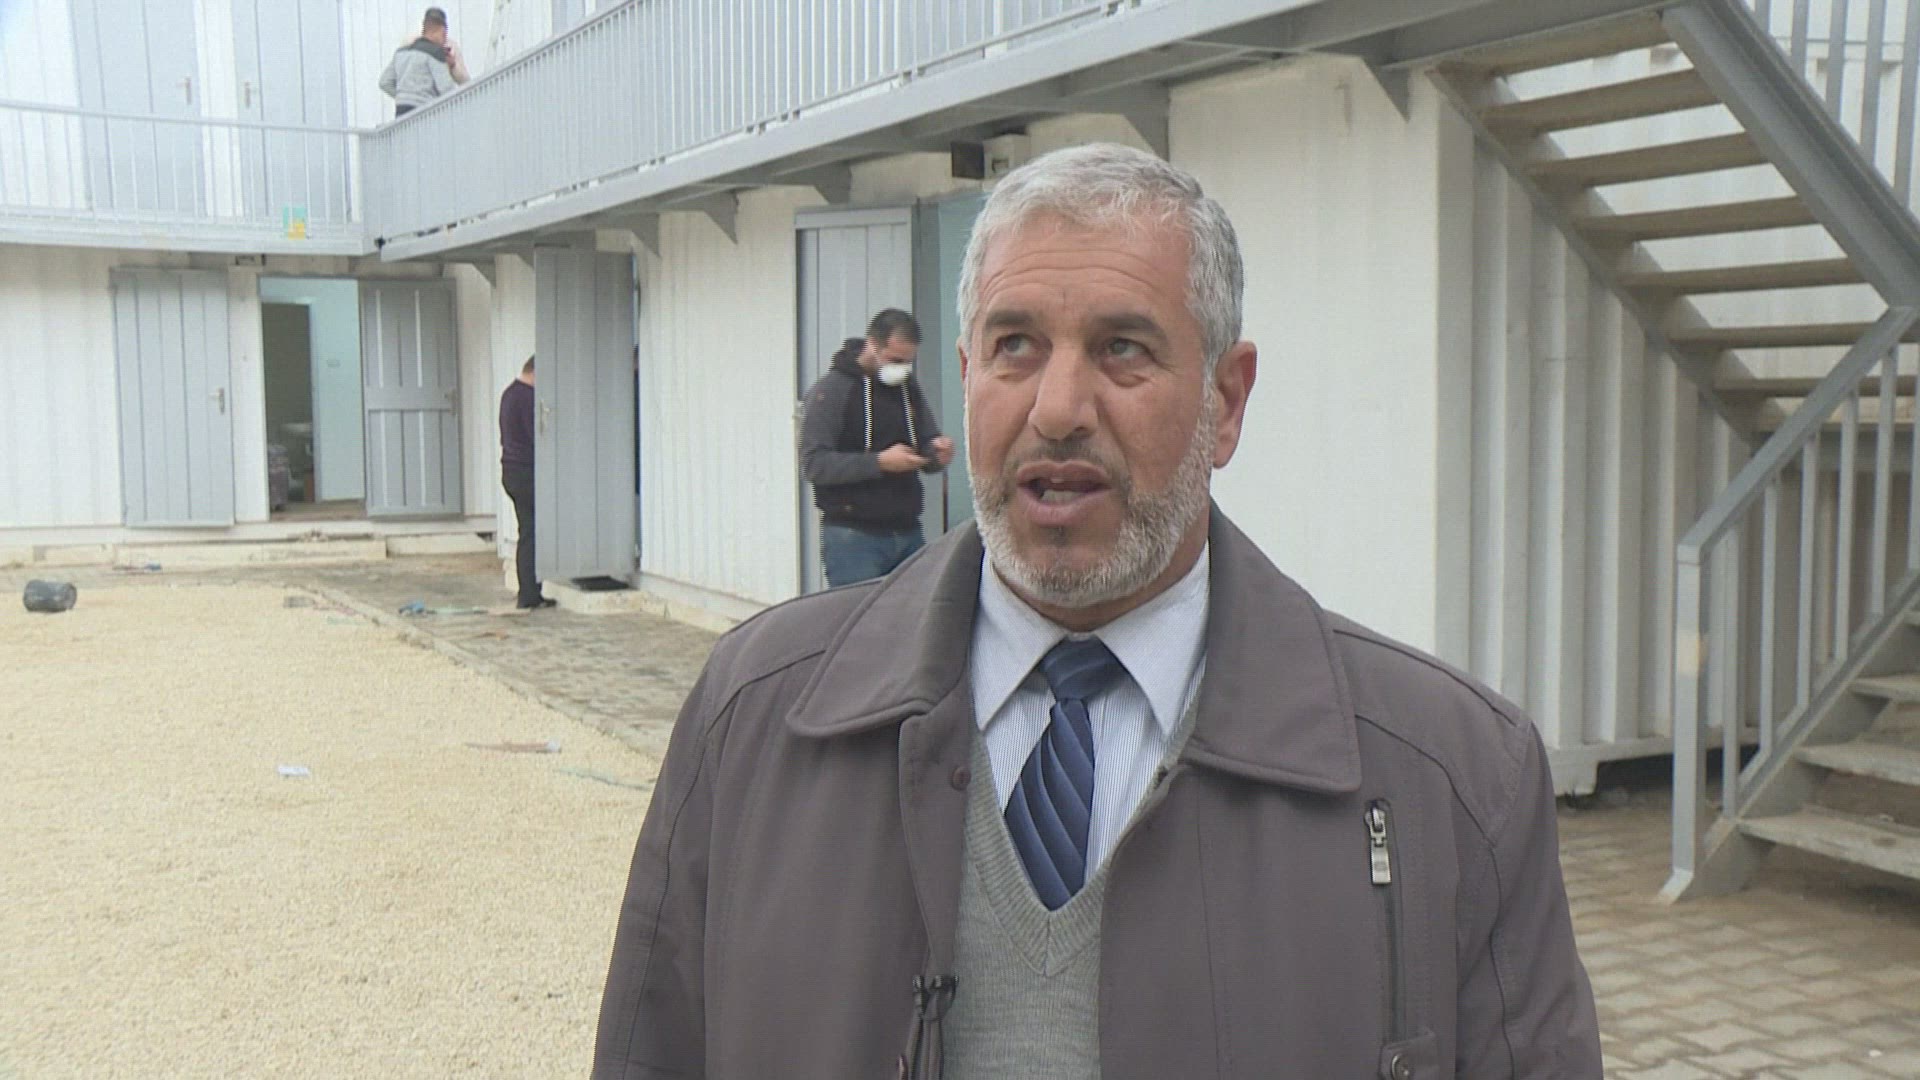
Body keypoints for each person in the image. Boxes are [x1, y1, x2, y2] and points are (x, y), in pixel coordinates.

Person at [592, 144, 1601, 1079]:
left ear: (1226, 402)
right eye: (1016, 346)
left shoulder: (1454, 778)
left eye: (1122, 349)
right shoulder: (754, 719)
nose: (1058, 408)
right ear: (967, 378)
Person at [798, 308, 955, 587]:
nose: (902, 369)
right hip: (853, 537)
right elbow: (814, 464)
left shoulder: (906, 387)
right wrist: (879, 462)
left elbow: (925, 441)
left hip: (907, 530)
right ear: (872, 344)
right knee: (858, 613)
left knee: (914, 610)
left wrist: (936, 453)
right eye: (895, 360)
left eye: (908, 362)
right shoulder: (832, 390)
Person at [499, 357, 551, 610]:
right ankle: (529, 593)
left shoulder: (509, 394)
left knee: (527, 530)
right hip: (525, 470)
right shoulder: (527, 397)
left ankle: (530, 592)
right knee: (531, 532)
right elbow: (537, 436)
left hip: (511, 469)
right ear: (535, 372)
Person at [378, 6, 470, 119]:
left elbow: (384, 82)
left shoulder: (401, 52)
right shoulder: (435, 52)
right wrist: (449, 67)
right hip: (425, 115)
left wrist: (403, 96)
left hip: (401, 114)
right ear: (442, 30)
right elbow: (447, 90)